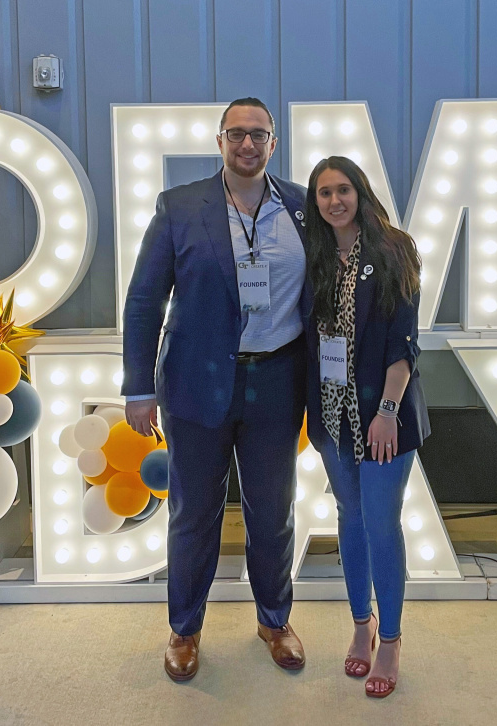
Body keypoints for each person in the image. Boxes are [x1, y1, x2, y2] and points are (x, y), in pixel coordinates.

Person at [122, 98, 309, 682]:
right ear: (220, 140)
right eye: (237, 134)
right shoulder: (179, 207)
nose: (247, 144)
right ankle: (184, 629)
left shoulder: (305, 207)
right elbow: (145, 300)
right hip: (194, 384)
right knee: (193, 514)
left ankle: (275, 620)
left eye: (259, 134)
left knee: (273, 512)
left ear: (273, 143)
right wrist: (137, 387)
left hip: (278, 380)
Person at [303, 156, 430, 698]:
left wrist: (387, 412)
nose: (335, 201)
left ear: (360, 192)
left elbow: (405, 343)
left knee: (381, 524)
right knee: (349, 520)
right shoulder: (312, 256)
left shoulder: (394, 249)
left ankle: (393, 640)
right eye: (324, 193)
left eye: (343, 190)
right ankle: (362, 628)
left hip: (385, 416)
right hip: (330, 415)